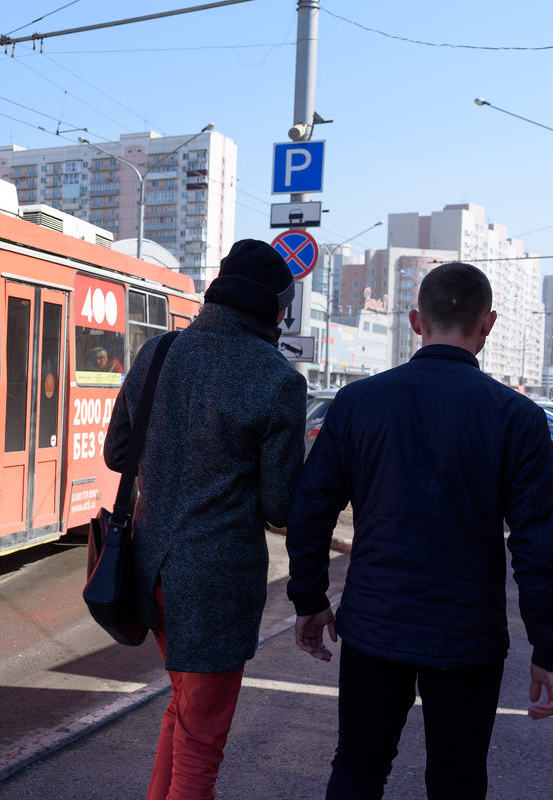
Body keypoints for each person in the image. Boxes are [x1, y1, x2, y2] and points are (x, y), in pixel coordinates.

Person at [286, 262, 553, 800]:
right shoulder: (517, 417)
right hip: (468, 636)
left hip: (373, 624)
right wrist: (547, 645)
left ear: (415, 320)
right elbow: (539, 544)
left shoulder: (358, 403)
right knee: (457, 777)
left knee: (359, 763)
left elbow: (311, 508)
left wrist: (309, 598)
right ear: (489, 323)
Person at [103, 239, 306, 800]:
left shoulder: (159, 353)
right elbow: (278, 507)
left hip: (151, 571)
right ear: (277, 309)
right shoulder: (278, 380)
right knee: (203, 743)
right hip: (217, 583)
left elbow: (119, 454)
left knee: (185, 708)